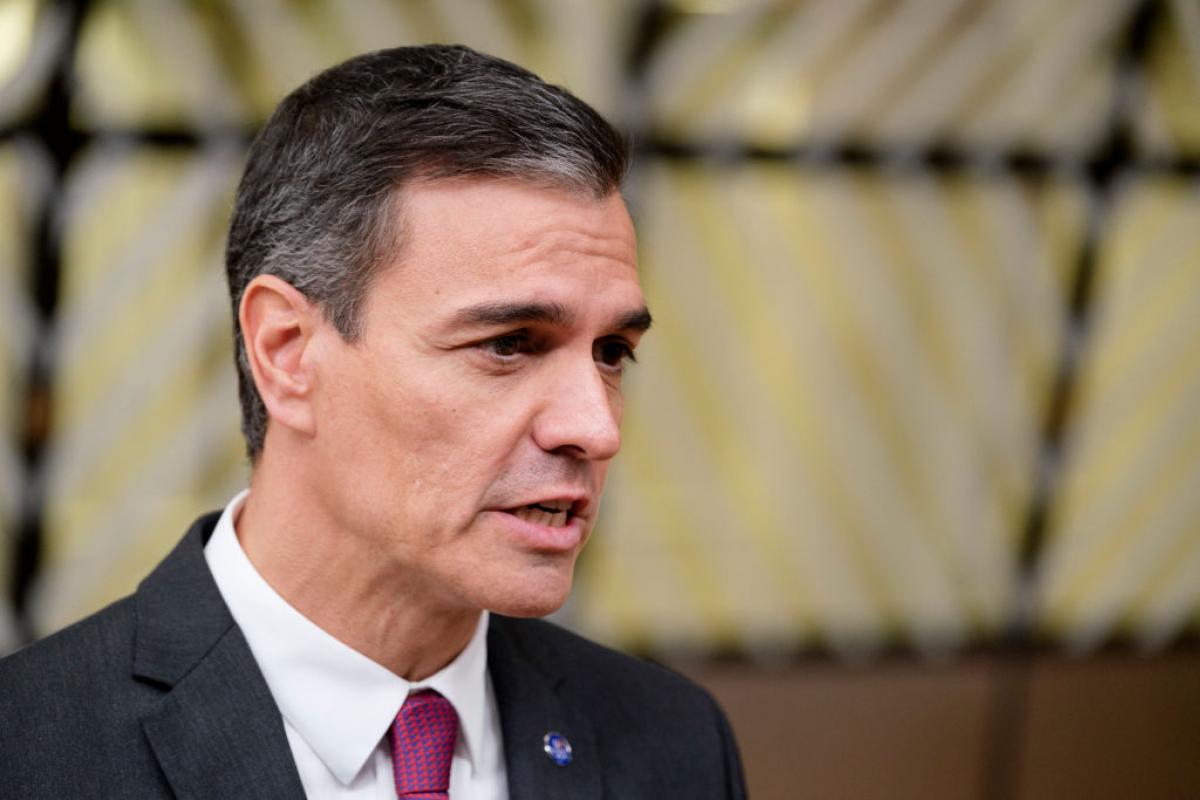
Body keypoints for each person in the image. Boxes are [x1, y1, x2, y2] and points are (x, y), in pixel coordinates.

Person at [0, 45, 746, 798]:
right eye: (509, 344)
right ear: (287, 352)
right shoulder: (29, 749)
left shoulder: (674, 746)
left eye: (613, 352)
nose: (596, 429)